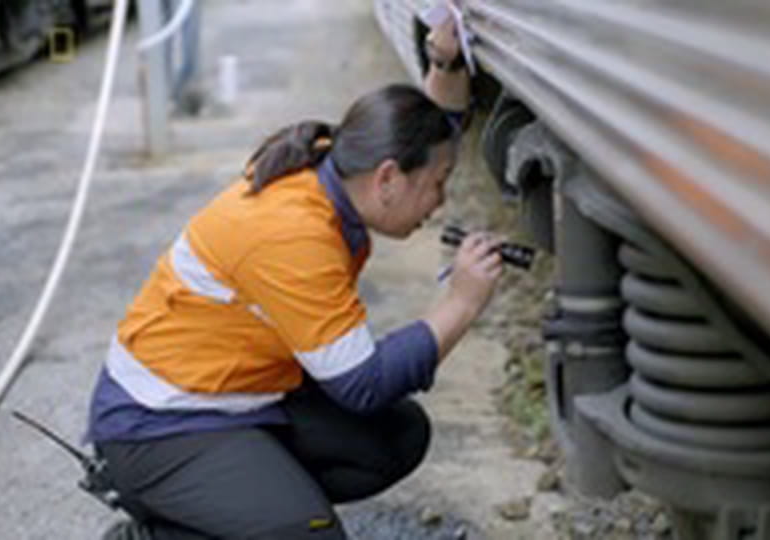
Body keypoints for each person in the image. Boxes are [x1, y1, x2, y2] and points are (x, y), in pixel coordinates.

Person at [90, 16, 495, 540]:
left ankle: (242, 503)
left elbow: (430, 135)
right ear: (388, 179)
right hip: (159, 424)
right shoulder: (294, 234)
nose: (440, 203)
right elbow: (363, 384)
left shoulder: (335, 164)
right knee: (312, 534)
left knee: (395, 436)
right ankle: (162, 530)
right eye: (438, 185)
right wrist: (459, 304)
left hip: (240, 393)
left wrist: (446, 60)